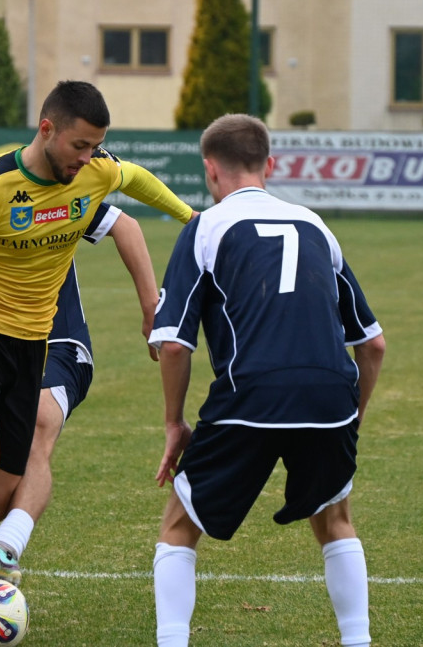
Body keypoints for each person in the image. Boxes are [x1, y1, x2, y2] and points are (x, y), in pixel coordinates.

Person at [0, 80, 197, 647]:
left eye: (96, 147)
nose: (88, 158)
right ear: (46, 129)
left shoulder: (94, 169)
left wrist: (191, 218)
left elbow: (136, 182)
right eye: (80, 145)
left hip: (32, 346)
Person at [147, 114, 386, 647]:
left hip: (248, 395)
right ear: (270, 166)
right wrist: (351, 418)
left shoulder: (206, 227)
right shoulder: (317, 226)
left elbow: (173, 344)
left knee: (179, 525)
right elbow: (372, 344)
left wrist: (173, 423)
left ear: (210, 171)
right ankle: (358, 641)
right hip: (330, 397)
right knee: (335, 518)